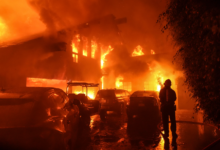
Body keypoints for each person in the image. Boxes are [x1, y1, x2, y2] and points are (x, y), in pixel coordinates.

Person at [159, 79, 178, 148]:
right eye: (167, 83)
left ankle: (173, 133)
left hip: (170, 108)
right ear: (165, 84)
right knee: (165, 121)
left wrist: (169, 103)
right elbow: (160, 98)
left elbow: (174, 98)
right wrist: (164, 104)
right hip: (165, 108)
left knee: (173, 121)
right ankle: (166, 133)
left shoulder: (172, 91)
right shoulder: (162, 91)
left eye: (169, 83)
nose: (168, 84)